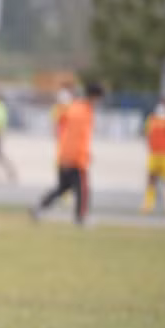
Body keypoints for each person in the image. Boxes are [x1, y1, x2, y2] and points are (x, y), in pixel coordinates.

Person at [30, 82, 104, 225]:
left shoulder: (73, 107)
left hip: (64, 154)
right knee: (83, 189)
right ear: (94, 96)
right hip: (76, 157)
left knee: (63, 187)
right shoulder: (84, 112)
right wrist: (83, 154)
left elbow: (61, 125)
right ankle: (81, 217)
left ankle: (39, 207)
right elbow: (78, 136)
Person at [140, 99, 165, 214]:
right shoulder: (152, 119)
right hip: (154, 154)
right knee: (151, 179)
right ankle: (148, 204)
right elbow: (146, 133)